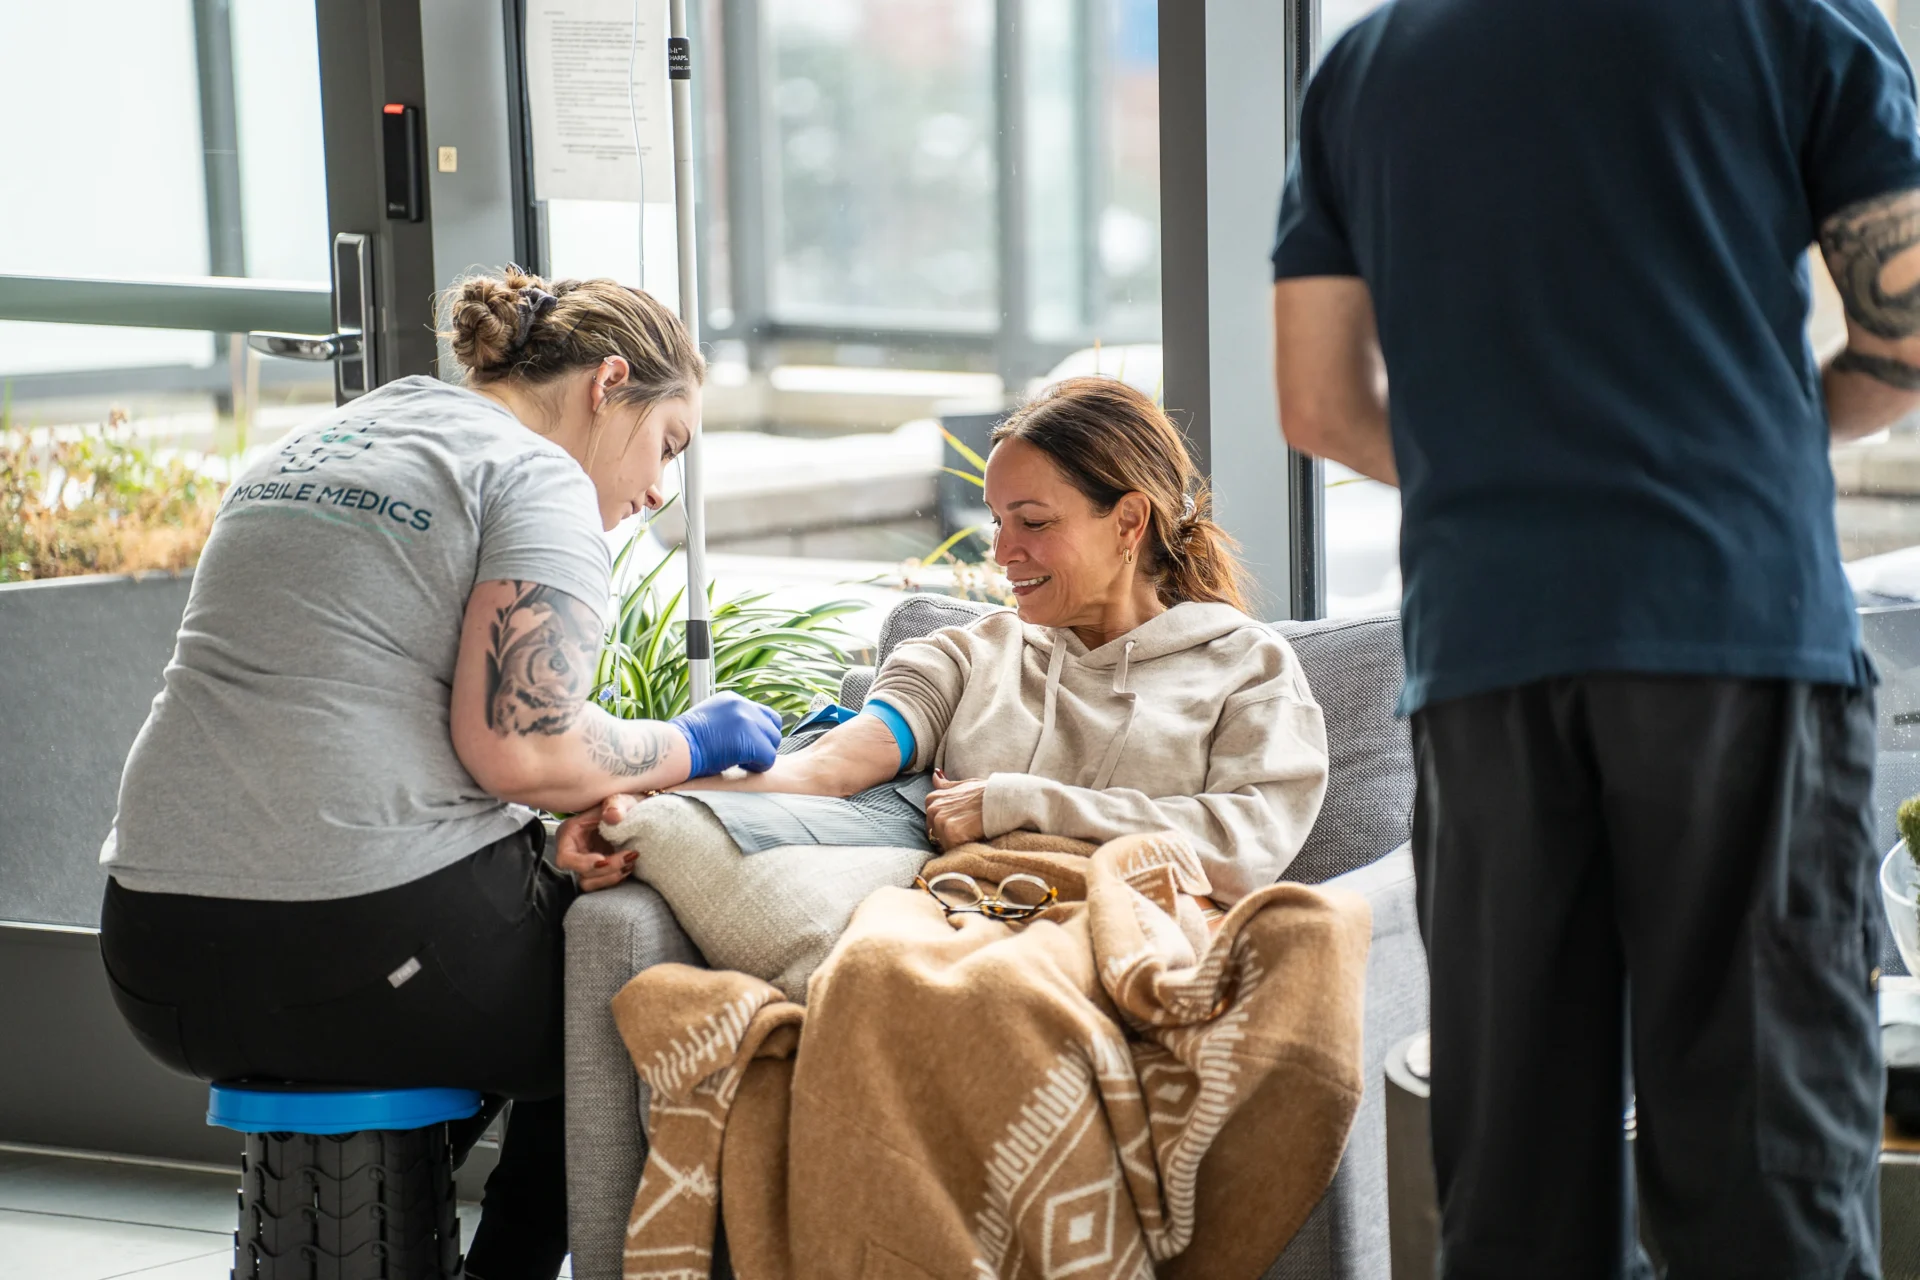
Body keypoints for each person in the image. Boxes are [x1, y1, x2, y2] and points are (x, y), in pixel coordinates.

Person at [1271, 2, 1920, 1276]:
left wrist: (1507, 460)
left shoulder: (1371, 60)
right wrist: (1754, 442)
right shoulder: (1806, 22)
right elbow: (1903, 345)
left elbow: (1317, 401)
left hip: (1489, 651)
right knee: (1763, 1166)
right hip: (1740, 636)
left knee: (1516, 1185)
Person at [96, 268, 784, 1280]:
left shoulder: (323, 439)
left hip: (154, 955)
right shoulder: (535, 476)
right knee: (620, 981)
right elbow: (524, 744)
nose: (656, 490)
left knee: (511, 943)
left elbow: (357, 713)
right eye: (667, 443)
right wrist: (698, 740)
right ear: (608, 383)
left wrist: (549, 830)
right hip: (351, 949)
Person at [596, 377, 1331, 904]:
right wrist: (641, 798)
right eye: (996, 522)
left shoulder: (1249, 670)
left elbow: (1243, 849)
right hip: (963, 937)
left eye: (1034, 522)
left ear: (1129, 522)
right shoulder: (968, 653)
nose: (1003, 552)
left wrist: (1023, 802)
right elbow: (825, 772)